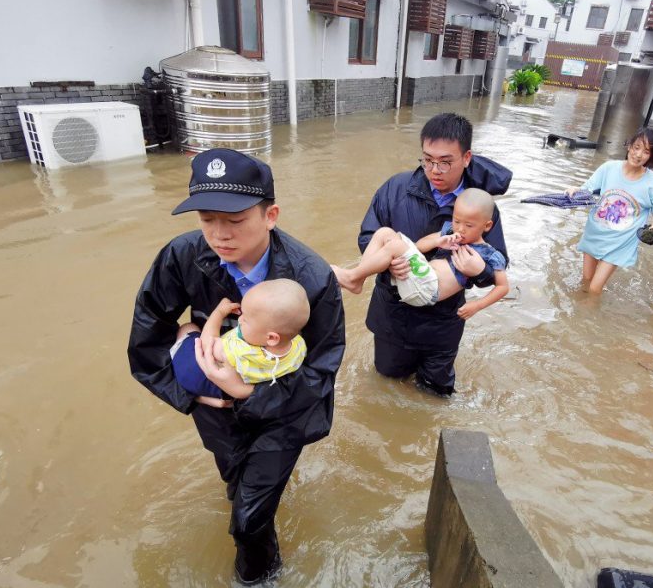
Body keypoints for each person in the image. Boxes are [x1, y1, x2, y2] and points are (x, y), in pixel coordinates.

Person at [127, 148, 345, 585]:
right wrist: (191, 393)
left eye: (235, 220)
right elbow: (146, 339)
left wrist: (248, 394)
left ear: (270, 215)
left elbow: (321, 369)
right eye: (207, 219)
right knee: (234, 483)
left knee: (247, 522)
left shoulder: (312, 277)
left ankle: (258, 577)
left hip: (285, 411)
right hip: (214, 408)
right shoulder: (182, 256)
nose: (219, 235)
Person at [357, 113, 511, 396]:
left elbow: (498, 263)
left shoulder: (481, 207)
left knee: (435, 394)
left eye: (445, 162)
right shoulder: (395, 189)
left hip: (443, 322)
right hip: (394, 314)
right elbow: (368, 237)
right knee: (388, 384)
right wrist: (389, 265)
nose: (434, 170)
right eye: (427, 160)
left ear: (466, 158)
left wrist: (481, 272)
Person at [334, 188, 509, 314]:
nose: (460, 229)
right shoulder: (449, 231)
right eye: (457, 221)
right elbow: (419, 246)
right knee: (384, 233)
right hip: (418, 277)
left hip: (428, 290)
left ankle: (351, 277)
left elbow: (503, 287)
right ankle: (358, 280)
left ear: (487, 226)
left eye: (469, 225)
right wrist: (438, 241)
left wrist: (476, 306)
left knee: (395, 246)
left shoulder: (490, 254)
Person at [171, 279, 310, 400]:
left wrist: (219, 313)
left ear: (272, 338)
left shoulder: (240, 352)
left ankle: (176, 365)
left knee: (188, 328)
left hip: (204, 377)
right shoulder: (299, 346)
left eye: (246, 319)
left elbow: (207, 344)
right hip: (247, 387)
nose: (239, 319)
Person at [566, 128, 653, 295]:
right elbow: (587, 189)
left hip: (621, 241)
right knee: (586, 280)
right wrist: (574, 189)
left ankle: (590, 319)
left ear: (652, 156)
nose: (639, 154)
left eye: (646, 151)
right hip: (595, 233)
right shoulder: (609, 168)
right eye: (636, 147)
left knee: (594, 289)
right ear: (629, 147)